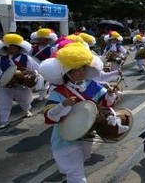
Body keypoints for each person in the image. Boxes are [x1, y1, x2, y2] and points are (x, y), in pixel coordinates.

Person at [40, 42, 124, 183]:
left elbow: (105, 104)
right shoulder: (59, 92)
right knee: (76, 171)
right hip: (66, 137)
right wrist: (63, 105)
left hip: (87, 133)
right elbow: (49, 116)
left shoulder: (92, 85)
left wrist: (110, 94)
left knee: (82, 160)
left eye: (83, 69)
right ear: (67, 71)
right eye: (76, 69)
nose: (81, 72)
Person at [0, 33, 39, 129]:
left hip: (21, 83)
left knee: (24, 99)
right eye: (8, 48)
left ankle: (26, 110)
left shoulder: (26, 58)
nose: (9, 50)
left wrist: (29, 75)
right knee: (3, 101)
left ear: (18, 48)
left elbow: (35, 68)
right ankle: (4, 120)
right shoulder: (1, 59)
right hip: (4, 83)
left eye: (12, 48)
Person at [30, 28, 58, 101]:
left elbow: (53, 57)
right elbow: (29, 56)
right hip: (36, 66)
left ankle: (43, 94)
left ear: (48, 40)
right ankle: (39, 93)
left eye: (43, 39)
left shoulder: (51, 48)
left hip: (46, 65)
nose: (41, 41)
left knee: (46, 80)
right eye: (40, 39)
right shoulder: (33, 48)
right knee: (38, 79)